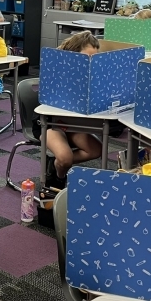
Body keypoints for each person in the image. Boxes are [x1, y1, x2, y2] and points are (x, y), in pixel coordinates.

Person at [43, 31, 103, 189]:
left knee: (96, 150)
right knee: (65, 157)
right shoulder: (57, 71)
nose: (89, 63)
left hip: (73, 124)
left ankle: (54, 163)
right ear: (73, 55)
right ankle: (58, 176)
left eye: (93, 59)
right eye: (86, 58)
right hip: (51, 123)